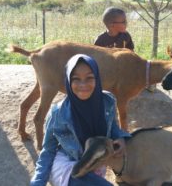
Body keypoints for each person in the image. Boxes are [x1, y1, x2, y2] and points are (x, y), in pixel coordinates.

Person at [30, 54, 131, 186]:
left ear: (97, 78)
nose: (83, 84)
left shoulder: (107, 101)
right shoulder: (58, 113)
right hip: (67, 165)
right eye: (76, 79)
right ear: (68, 81)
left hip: (93, 162)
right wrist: (38, 182)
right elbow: (48, 150)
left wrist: (120, 137)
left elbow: (113, 127)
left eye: (89, 77)